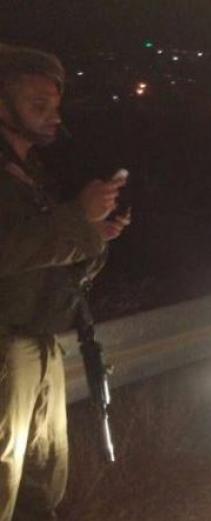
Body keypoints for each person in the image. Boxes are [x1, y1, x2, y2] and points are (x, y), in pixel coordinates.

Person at [0, 44, 129, 521]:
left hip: (39, 340)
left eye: (55, 104)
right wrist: (78, 217)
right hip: (7, 344)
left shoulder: (30, 173)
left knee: (43, 477)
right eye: (38, 105)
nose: (54, 116)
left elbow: (49, 257)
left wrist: (94, 234)